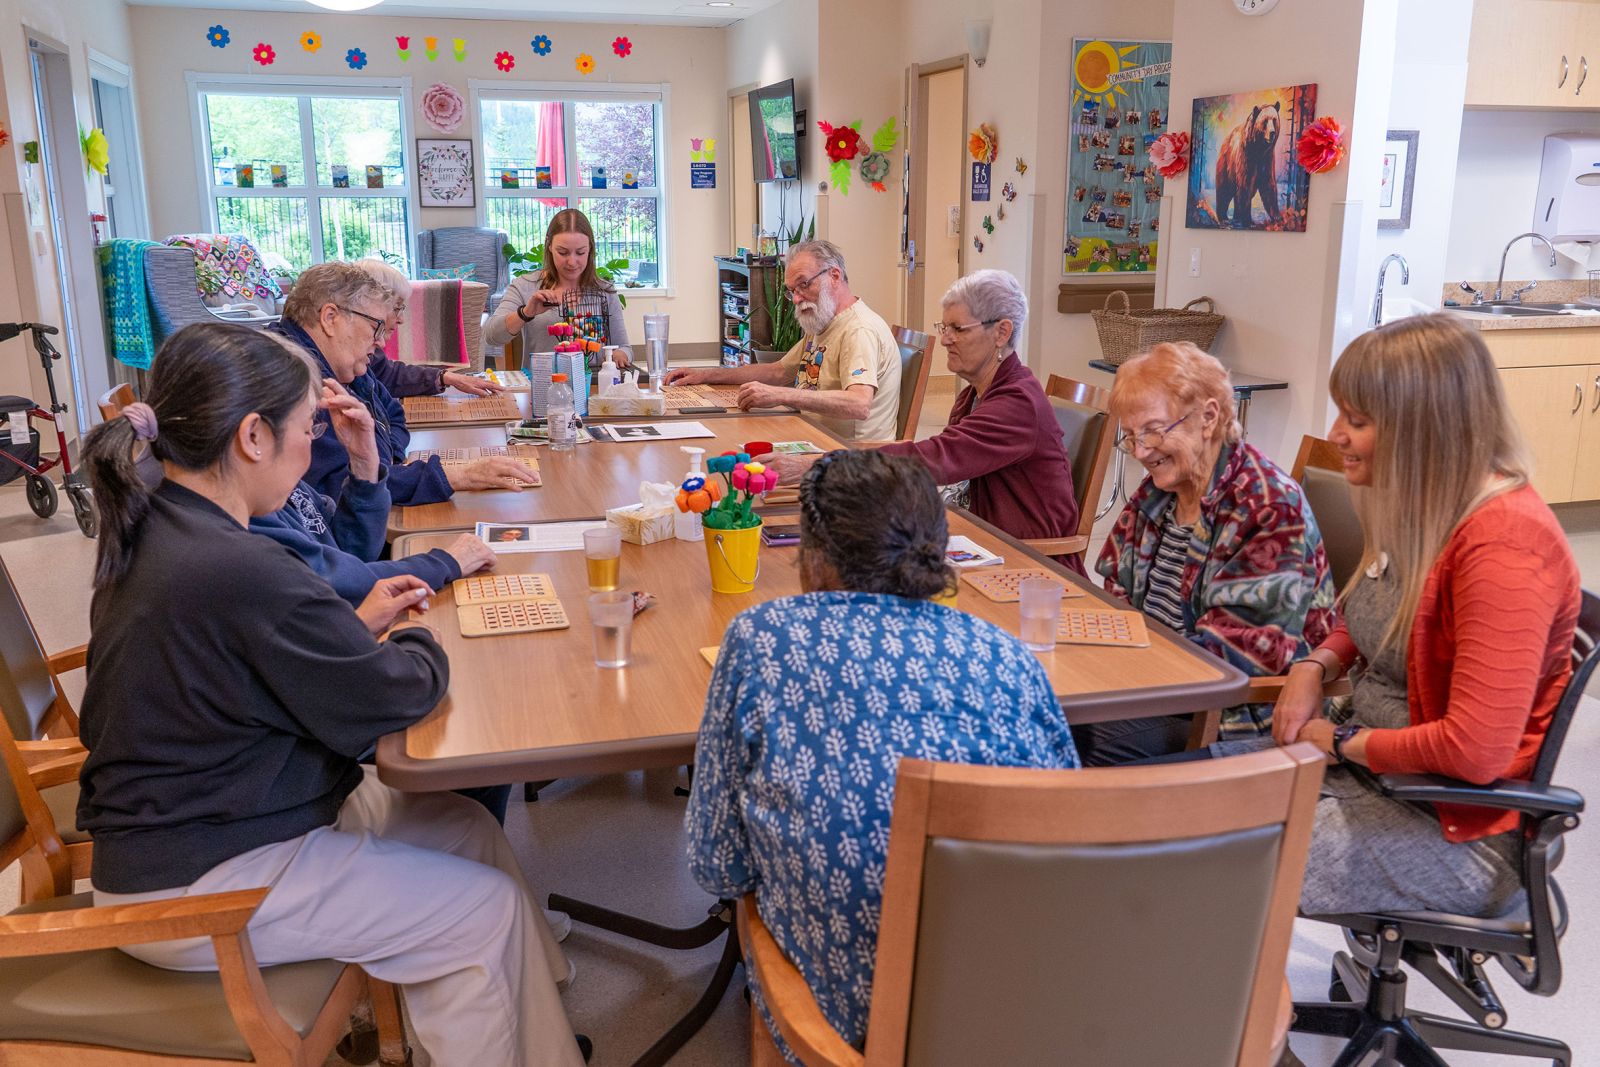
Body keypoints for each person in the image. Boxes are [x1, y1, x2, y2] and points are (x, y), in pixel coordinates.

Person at [75, 322, 586, 1066]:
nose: (311, 443)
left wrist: (349, 626)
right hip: (200, 876)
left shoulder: (163, 521)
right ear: (252, 435)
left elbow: (268, 660)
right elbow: (391, 695)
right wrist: (419, 634)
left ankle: (536, 1037)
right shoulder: (239, 565)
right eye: (304, 426)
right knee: (480, 912)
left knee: (464, 828)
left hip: (217, 812)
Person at [685, 450, 1079, 1058]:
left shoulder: (760, 640)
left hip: (845, 1022)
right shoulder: (1007, 656)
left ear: (814, 562)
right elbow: (1070, 831)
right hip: (1020, 999)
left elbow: (719, 866)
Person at [1265, 314, 1580, 916]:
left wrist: (1340, 741)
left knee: (1200, 859)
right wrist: (1314, 664)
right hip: (1375, 781)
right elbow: (1369, 615)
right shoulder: (1426, 510)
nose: (1337, 435)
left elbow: (1473, 753)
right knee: (1173, 810)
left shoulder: (1505, 546)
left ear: (1423, 428)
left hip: (1454, 830)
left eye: (1358, 421)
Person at [1084, 341, 1337, 764]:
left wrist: (1120, 675)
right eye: (1130, 437)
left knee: (1069, 747)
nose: (1142, 451)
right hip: (1156, 692)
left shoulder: (1266, 506)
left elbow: (1240, 657)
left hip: (1230, 717)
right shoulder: (1160, 494)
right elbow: (1117, 591)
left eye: (1153, 430)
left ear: (1208, 417)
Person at [756, 269, 1083, 571]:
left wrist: (813, 465)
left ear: (1001, 332)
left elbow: (934, 459)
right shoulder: (977, 393)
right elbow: (928, 453)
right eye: (945, 328)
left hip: (1028, 564)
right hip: (985, 540)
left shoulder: (1016, 403)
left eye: (958, 329)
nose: (945, 339)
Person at [276, 263, 536, 507]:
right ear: (330, 318)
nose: (381, 342)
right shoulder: (293, 383)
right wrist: (454, 474)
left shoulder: (342, 365)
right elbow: (344, 487)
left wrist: (387, 460)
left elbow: (394, 415)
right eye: (376, 326)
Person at [249, 375, 497, 605]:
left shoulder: (278, 491)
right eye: (307, 431)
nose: (310, 447)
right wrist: (445, 563)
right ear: (252, 437)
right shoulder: (252, 524)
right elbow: (335, 581)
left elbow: (351, 554)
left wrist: (365, 465)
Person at [664, 240, 902, 442]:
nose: (797, 299)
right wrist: (705, 375)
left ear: (834, 276)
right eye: (792, 290)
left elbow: (859, 404)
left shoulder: (858, 330)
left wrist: (781, 395)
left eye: (804, 285)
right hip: (812, 435)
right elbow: (778, 372)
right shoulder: (824, 321)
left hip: (849, 455)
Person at [484, 207, 634, 365]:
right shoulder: (525, 286)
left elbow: (625, 348)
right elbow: (492, 336)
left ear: (590, 249)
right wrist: (526, 312)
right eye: (563, 252)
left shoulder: (605, 292)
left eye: (580, 252)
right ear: (549, 246)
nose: (571, 261)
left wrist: (620, 354)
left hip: (595, 385)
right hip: (543, 385)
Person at [352, 258, 507, 397]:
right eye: (396, 308)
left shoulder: (366, 349)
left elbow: (389, 375)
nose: (401, 320)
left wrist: (445, 377)